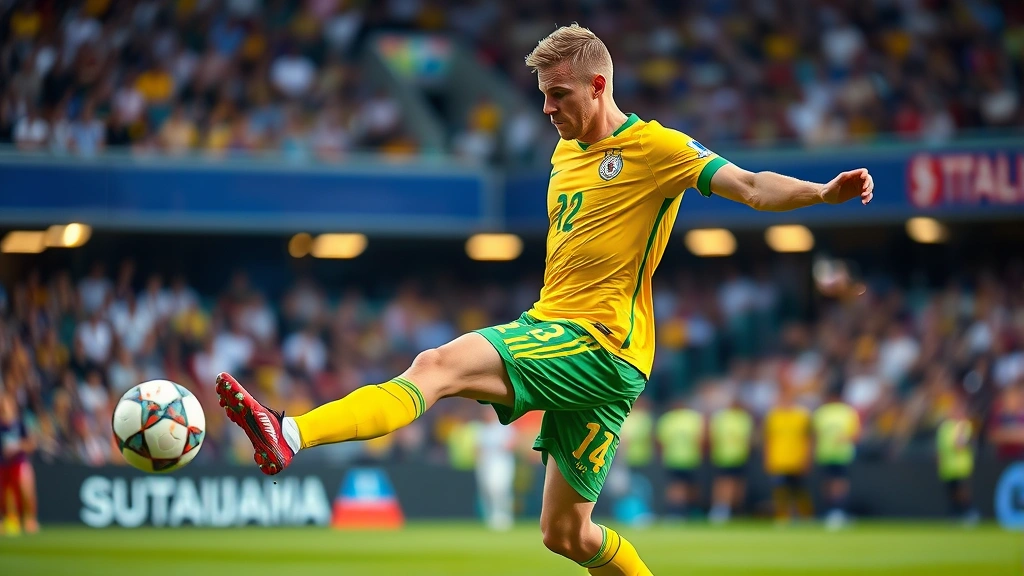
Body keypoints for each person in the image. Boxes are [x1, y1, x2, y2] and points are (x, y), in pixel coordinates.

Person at [214, 23, 874, 573]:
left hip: (597, 342)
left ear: (599, 85)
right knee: (567, 535)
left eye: (559, 95)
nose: (547, 108)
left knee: (436, 366)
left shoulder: (656, 148)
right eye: (542, 96)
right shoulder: (563, 154)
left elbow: (752, 185)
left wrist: (820, 195)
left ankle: (291, 431)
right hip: (595, 356)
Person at [811, 387, 860, 530]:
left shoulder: (845, 412)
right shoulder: (824, 412)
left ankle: (838, 511)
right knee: (830, 483)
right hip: (827, 453)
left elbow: (855, 435)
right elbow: (815, 435)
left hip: (840, 454)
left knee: (838, 483)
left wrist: (844, 439)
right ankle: (831, 511)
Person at [765, 387, 813, 524]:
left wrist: (806, 458)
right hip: (779, 459)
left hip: (796, 459)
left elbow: (808, 439)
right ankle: (782, 517)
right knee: (780, 490)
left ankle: (805, 517)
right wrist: (768, 459)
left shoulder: (802, 416)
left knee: (799, 490)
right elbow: (769, 439)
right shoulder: (773, 416)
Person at [655, 397, 704, 520]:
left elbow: (660, 442)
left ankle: (681, 511)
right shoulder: (692, 418)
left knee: (682, 486)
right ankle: (678, 511)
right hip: (682, 458)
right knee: (679, 486)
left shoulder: (669, 419)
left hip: (682, 458)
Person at [708, 397, 753, 524]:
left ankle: (733, 510)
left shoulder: (742, 418)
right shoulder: (723, 418)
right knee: (724, 483)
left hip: (738, 456)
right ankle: (721, 510)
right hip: (724, 456)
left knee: (736, 484)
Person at [0, 393, 38, 535]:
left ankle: (30, 519)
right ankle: (6, 519)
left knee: (25, 489)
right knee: (3, 495)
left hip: (19, 462)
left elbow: (31, 444)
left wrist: (18, 446)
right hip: (3, 464)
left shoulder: (20, 424)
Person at [936, 400, 979, 525]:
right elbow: (940, 448)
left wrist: (960, 433)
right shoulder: (945, 427)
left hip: (961, 466)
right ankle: (955, 514)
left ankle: (969, 512)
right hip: (947, 467)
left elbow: (960, 445)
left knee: (962, 491)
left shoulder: (965, 426)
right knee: (951, 492)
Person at [475, 406, 517, 531]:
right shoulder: (482, 429)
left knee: (500, 489)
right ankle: (491, 517)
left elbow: (511, 444)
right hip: (486, 464)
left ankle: (504, 516)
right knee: (486, 490)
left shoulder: (504, 427)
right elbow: (477, 449)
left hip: (502, 463)